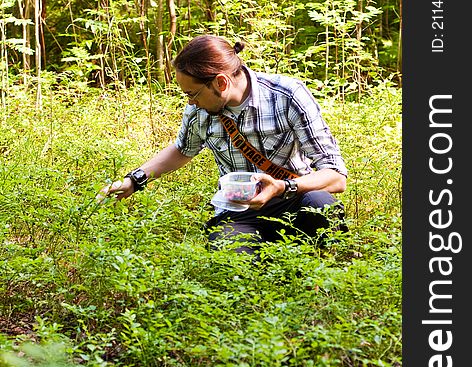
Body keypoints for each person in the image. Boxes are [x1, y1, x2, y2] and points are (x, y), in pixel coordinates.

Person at [100, 35, 348, 254]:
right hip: (238, 211)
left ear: (220, 82)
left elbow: (336, 177)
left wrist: (282, 187)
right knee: (230, 256)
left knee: (321, 205)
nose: (191, 103)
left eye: (192, 94)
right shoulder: (198, 111)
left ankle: (319, 274)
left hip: (294, 197)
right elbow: (182, 148)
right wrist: (134, 180)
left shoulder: (286, 95)